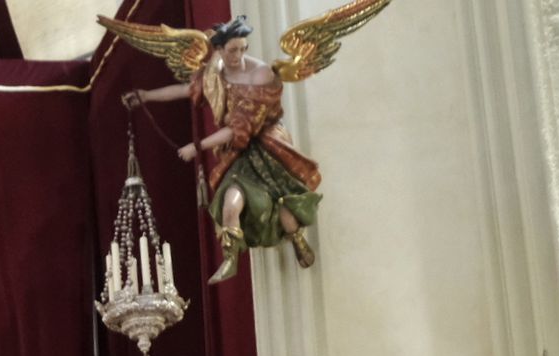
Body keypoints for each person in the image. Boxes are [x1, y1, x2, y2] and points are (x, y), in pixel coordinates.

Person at [106, 4, 391, 284]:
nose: (239, 56)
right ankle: (231, 258)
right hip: (239, 154)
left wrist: (198, 147)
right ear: (219, 50)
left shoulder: (261, 75)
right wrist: (146, 95)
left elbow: (237, 129)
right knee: (231, 204)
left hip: (268, 146)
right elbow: (186, 89)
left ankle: (297, 239)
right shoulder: (215, 76)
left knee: (285, 212)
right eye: (232, 51)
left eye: (243, 48)